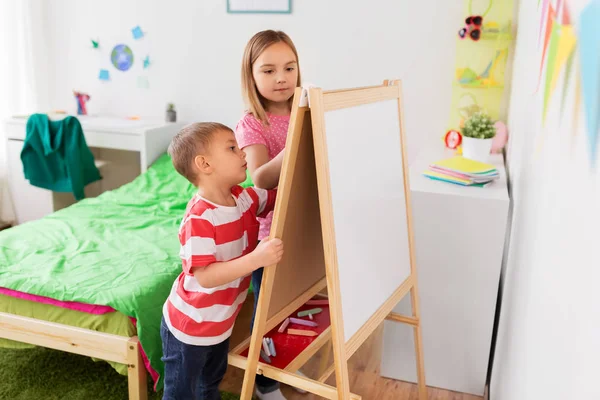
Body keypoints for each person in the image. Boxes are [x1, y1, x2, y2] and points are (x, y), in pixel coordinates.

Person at [161, 122, 284, 400]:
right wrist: (256, 259)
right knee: (181, 392)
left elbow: (281, 196)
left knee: (211, 382)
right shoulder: (200, 217)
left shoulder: (243, 198)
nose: (242, 153)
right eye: (232, 148)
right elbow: (205, 276)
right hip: (189, 327)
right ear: (204, 164)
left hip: (221, 322)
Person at [235, 29, 303, 400]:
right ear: (251, 75)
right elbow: (259, 177)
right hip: (269, 233)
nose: (281, 78)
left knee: (298, 300)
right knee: (268, 309)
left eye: (289, 68)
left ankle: (286, 364)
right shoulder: (252, 123)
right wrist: (296, 141)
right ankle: (263, 380)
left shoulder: (303, 110)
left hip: (303, 224)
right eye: (269, 70)